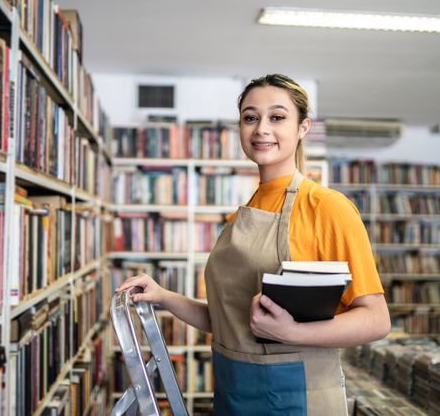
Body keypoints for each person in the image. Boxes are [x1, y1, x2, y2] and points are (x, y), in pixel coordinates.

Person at [116, 74, 390, 415]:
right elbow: (231, 321)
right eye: (250, 117)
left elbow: (377, 320)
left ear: (303, 128)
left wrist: (292, 333)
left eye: (277, 117)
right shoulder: (243, 212)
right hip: (234, 393)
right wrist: (164, 297)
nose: (261, 128)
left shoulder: (327, 207)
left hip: (297, 399)